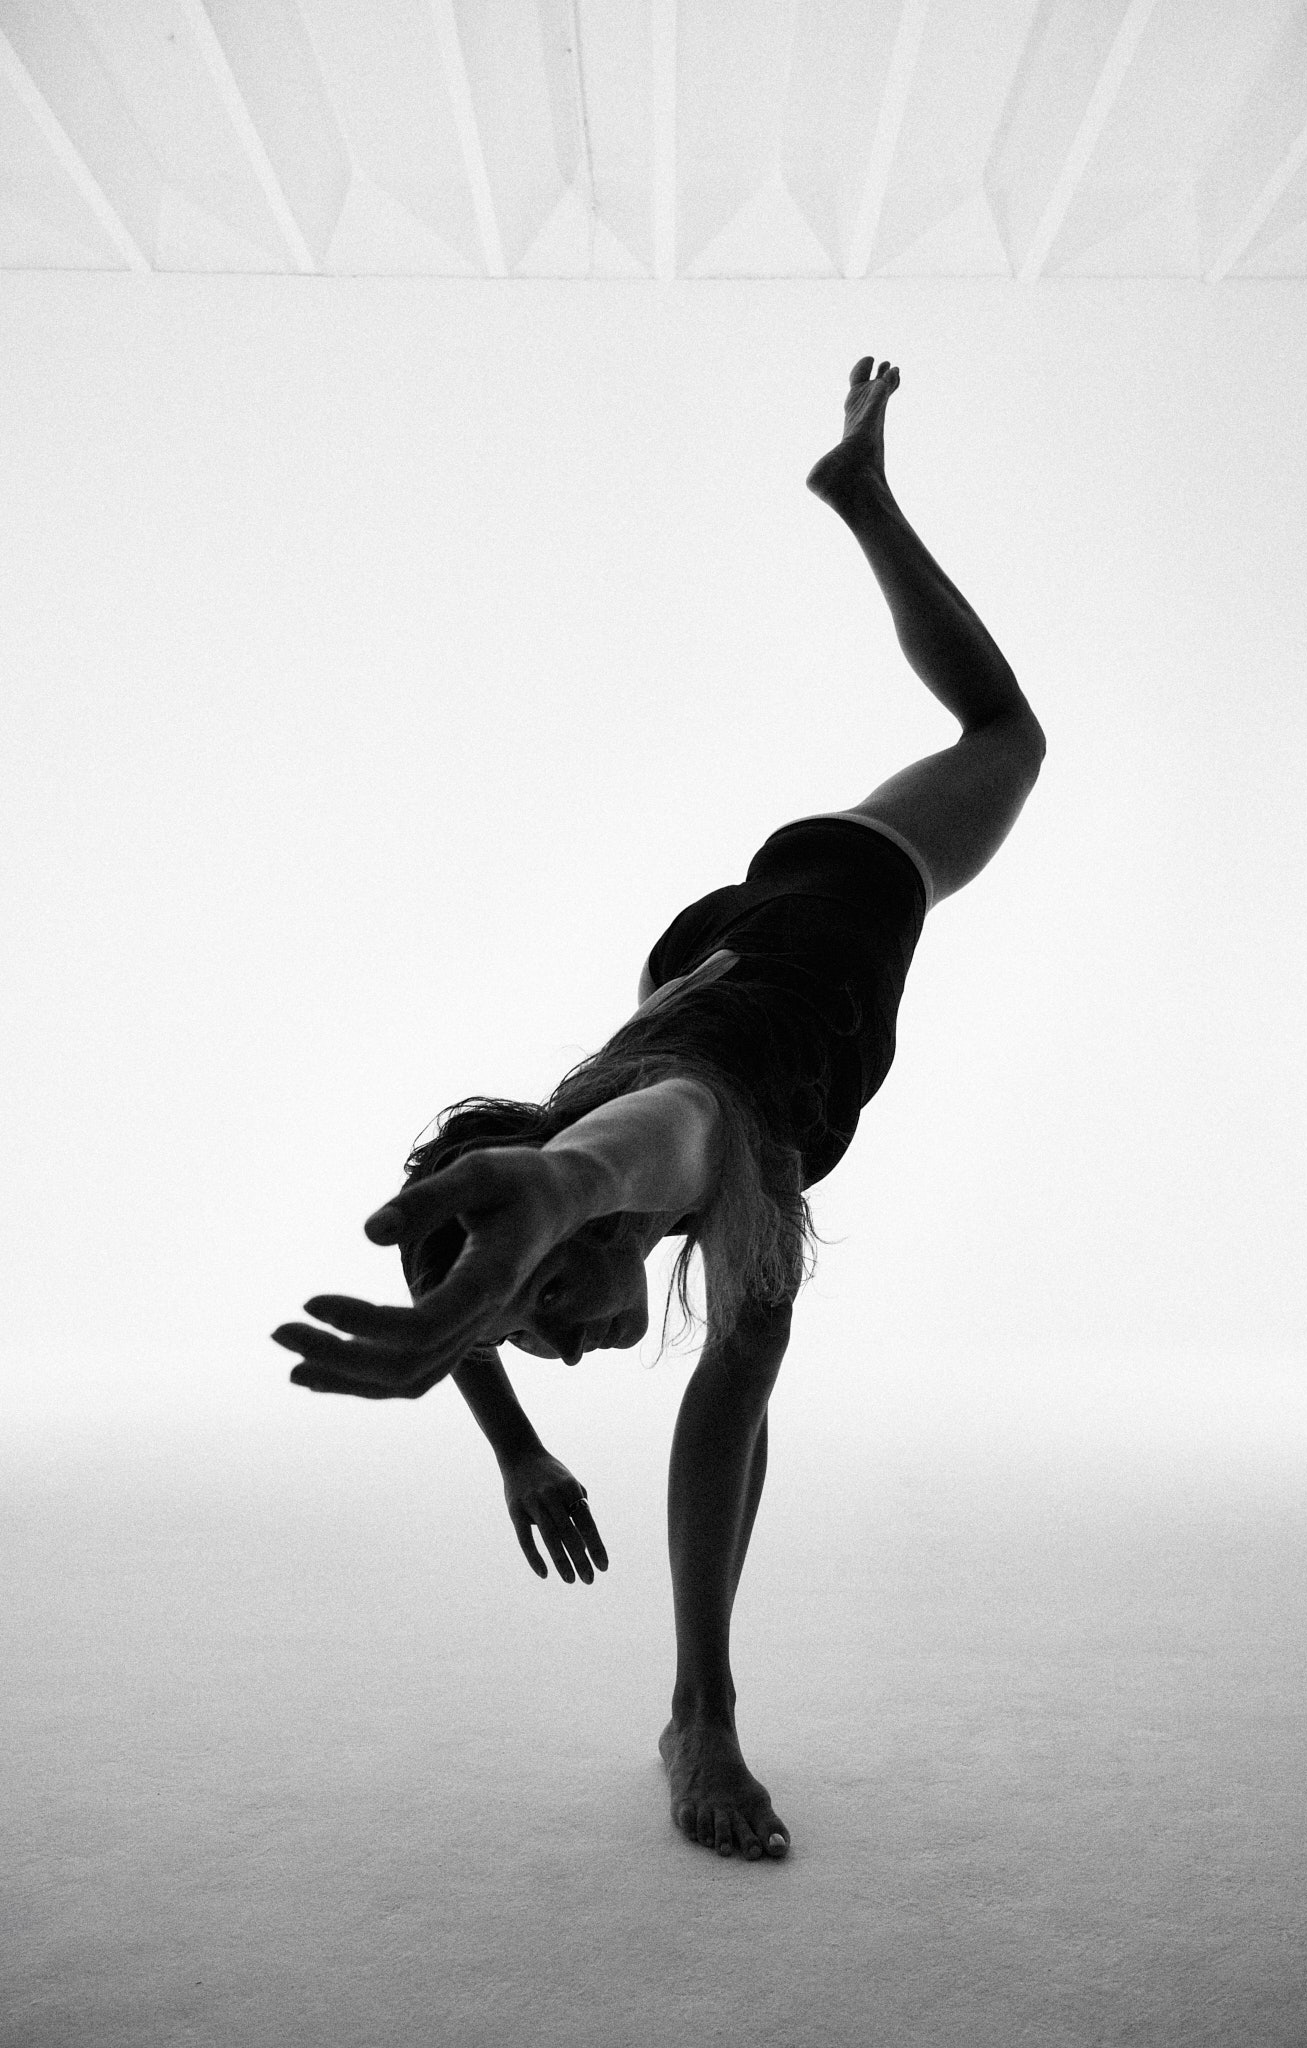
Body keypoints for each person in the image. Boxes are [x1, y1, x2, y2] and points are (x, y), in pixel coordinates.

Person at [271, 358, 1046, 1863]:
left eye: (545, 1307)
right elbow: (475, 1279)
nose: (565, 1348)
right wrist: (513, 1444)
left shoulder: (694, 1157)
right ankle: (859, 495)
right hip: (699, 967)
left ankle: (863, 501)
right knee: (704, 1245)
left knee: (1005, 737)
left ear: (590, 1222)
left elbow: (664, 1138)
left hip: (819, 916)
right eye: (533, 1331)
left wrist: (567, 1190)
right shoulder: (598, 1200)